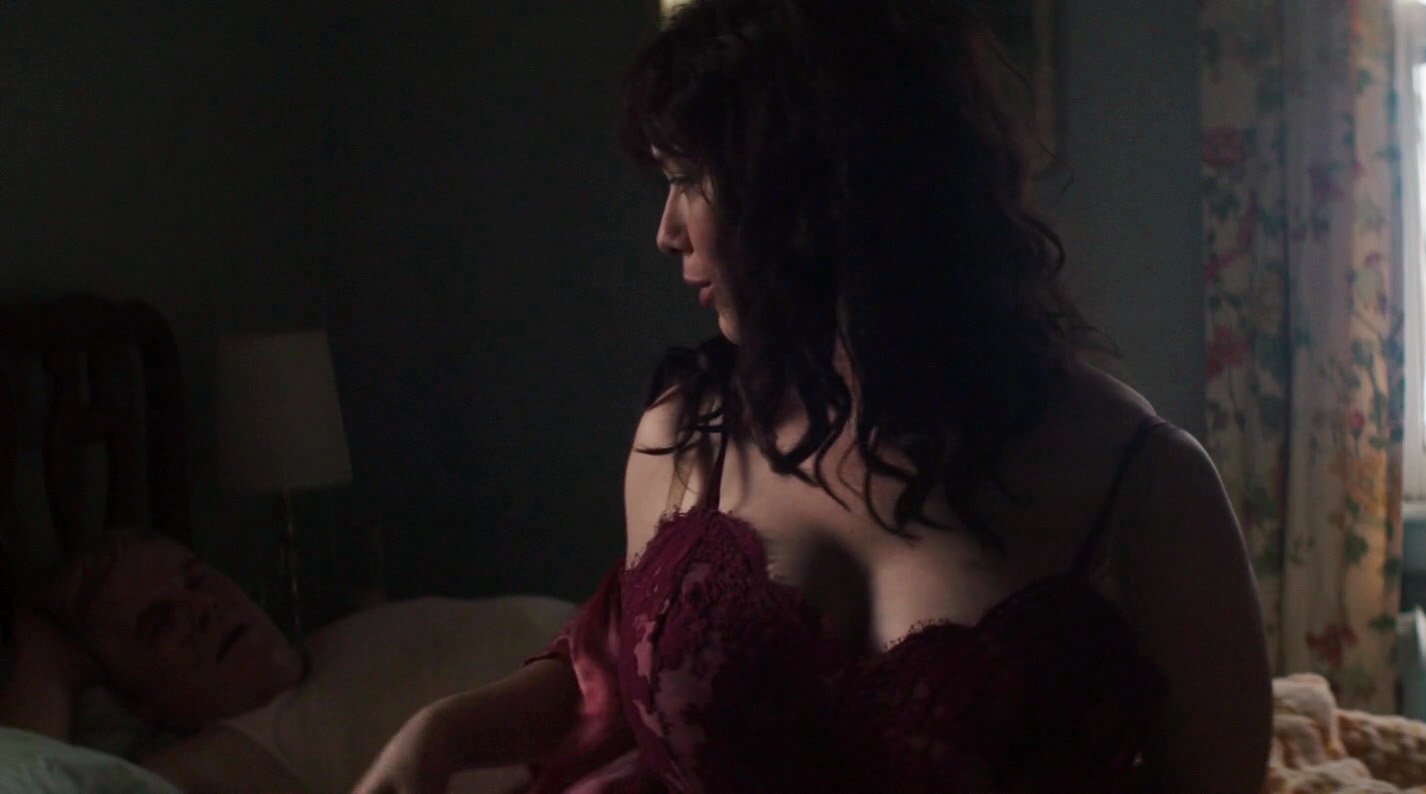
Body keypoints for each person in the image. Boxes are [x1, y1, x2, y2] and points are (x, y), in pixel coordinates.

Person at [353, 0, 1274, 792]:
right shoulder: (685, 441)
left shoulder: (1143, 487)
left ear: (812, 188)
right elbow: (617, 676)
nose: (666, 231)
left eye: (689, 180)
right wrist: (439, 734)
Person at [1, 529, 574, 794]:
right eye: (161, 624)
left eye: (197, 580)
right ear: (138, 702)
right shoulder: (209, 763)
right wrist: (43, 656)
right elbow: (31, 776)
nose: (202, 609)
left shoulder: (339, 637)